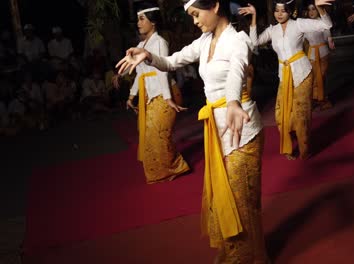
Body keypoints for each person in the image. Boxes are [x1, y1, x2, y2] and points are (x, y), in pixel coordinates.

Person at [116, 0, 267, 262]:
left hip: (242, 129)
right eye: (192, 16)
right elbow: (173, 61)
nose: (195, 21)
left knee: (241, 200)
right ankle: (250, 254)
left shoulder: (238, 40)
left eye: (197, 14)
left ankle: (247, 257)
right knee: (227, 196)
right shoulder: (203, 42)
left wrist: (232, 101)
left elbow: (236, 72)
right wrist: (149, 56)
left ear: (216, 6)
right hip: (218, 129)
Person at [238, 0, 334, 160]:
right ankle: (289, 141)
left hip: (302, 73)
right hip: (284, 75)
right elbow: (254, 43)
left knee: (301, 113)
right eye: (277, 11)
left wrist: (320, 7)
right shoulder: (272, 30)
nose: (279, 14)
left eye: (283, 10)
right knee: (280, 113)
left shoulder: (299, 24)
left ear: (290, 11)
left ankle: (304, 148)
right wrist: (254, 16)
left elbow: (327, 25)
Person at [117, 3, 190, 183]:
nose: (138, 23)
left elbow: (162, 71)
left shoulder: (160, 42)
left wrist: (167, 98)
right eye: (138, 19)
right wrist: (131, 96)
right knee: (150, 136)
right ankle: (163, 171)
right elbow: (140, 74)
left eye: (142, 19)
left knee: (159, 134)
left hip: (167, 92)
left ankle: (174, 168)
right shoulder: (141, 45)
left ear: (153, 22)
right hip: (151, 94)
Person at [303, 2, 335, 111]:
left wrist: (330, 41)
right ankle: (315, 100)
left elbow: (328, 36)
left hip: (323, 53)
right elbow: (301, 40)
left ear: (318, 10)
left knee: (321, 77)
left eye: (314, 9)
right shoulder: (305, 24)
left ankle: (322, 100)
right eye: (309, 9)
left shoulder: (323, 22)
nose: (311, 12)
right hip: (311, 54)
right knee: (313, 79)